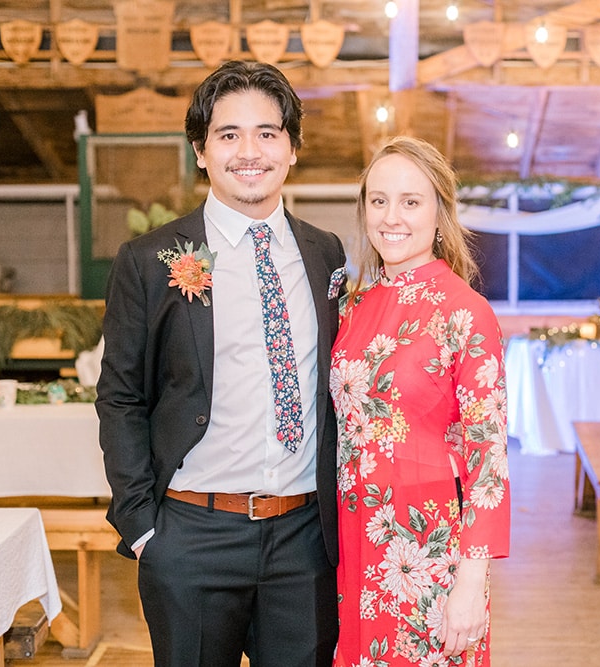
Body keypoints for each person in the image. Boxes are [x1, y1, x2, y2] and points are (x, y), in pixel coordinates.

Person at [96, 60, 347, 667]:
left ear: (292, 147)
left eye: (268, 132)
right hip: (191, 534)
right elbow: (120, 397)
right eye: (228, 134)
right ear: (201, 151)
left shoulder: (324, 253)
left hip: (303, 538)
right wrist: (143, 527)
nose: (249, 151)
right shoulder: (152, 259)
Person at [328, 136, 511, 666]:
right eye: (378, 200)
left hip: (426, 549)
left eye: (410, 201)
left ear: (439, 211)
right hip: (352, 541)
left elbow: (488, 458)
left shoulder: (467, 312)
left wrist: (471, 580)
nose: (392, 216)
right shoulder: (354, 307)